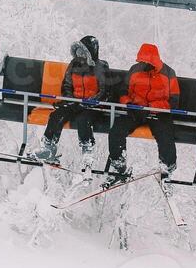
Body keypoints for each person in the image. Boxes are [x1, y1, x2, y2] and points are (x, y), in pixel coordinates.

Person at [105, 42, 181, 181]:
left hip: (158, 113)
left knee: (165, 136)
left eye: (146, 62)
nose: (143, 64)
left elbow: (173, 101)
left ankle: (167, 171)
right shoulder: (135, 70)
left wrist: (152, 107)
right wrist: (128, 104)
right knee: (116, 131)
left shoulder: (168, 74)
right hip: (136, 110)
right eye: (141, 61)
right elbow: (123, 91)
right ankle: (119, 166)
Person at [31, 35, 112, 164]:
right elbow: (67, 85)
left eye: (83, 52)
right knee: (57, 115)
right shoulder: (74, 65)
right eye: (78, 52)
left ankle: (87, 150)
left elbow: (104, 90)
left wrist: (88, 103)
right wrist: (71, 100)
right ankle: (48, 147)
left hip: (93, 106)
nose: (80, 56)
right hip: (75, 102)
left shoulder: (101, 67)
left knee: (83, 119)